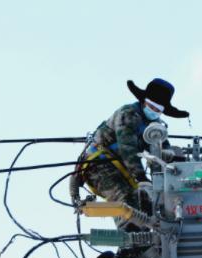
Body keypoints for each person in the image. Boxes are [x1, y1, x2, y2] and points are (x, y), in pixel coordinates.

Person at [74, 78, 189, 214]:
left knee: (147, 206)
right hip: (99, 165)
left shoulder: (156, 126)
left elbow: (163, 146)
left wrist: (171, 157)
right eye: (150, 106)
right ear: (143, 101)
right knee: (126, 203)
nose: (153, 111)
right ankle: (130, 231)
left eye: (157, 110)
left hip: (123, 170)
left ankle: (147, 231)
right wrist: (141, 177)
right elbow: (127, 148)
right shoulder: (128, 114)